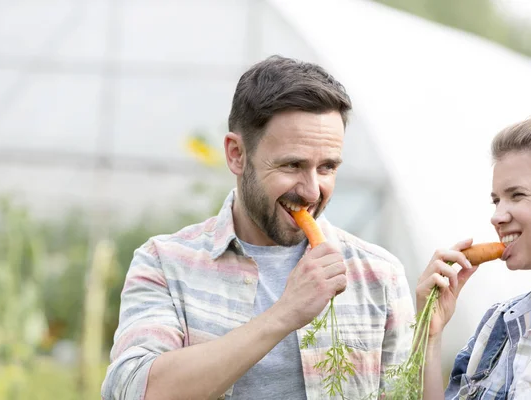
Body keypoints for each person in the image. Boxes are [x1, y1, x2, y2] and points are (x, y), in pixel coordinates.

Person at [101, 55, 414, 400]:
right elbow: (134, 390)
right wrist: (284, 314)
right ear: (236, 154)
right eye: (292, 165)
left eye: (326, 168)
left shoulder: (380, 276)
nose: (311, 191)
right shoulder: (164, 263)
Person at [417, 104, 531, 399]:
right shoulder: (499, 323)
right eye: (496, 200)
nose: (497, 216)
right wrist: (430, 335)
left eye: (517, 195)